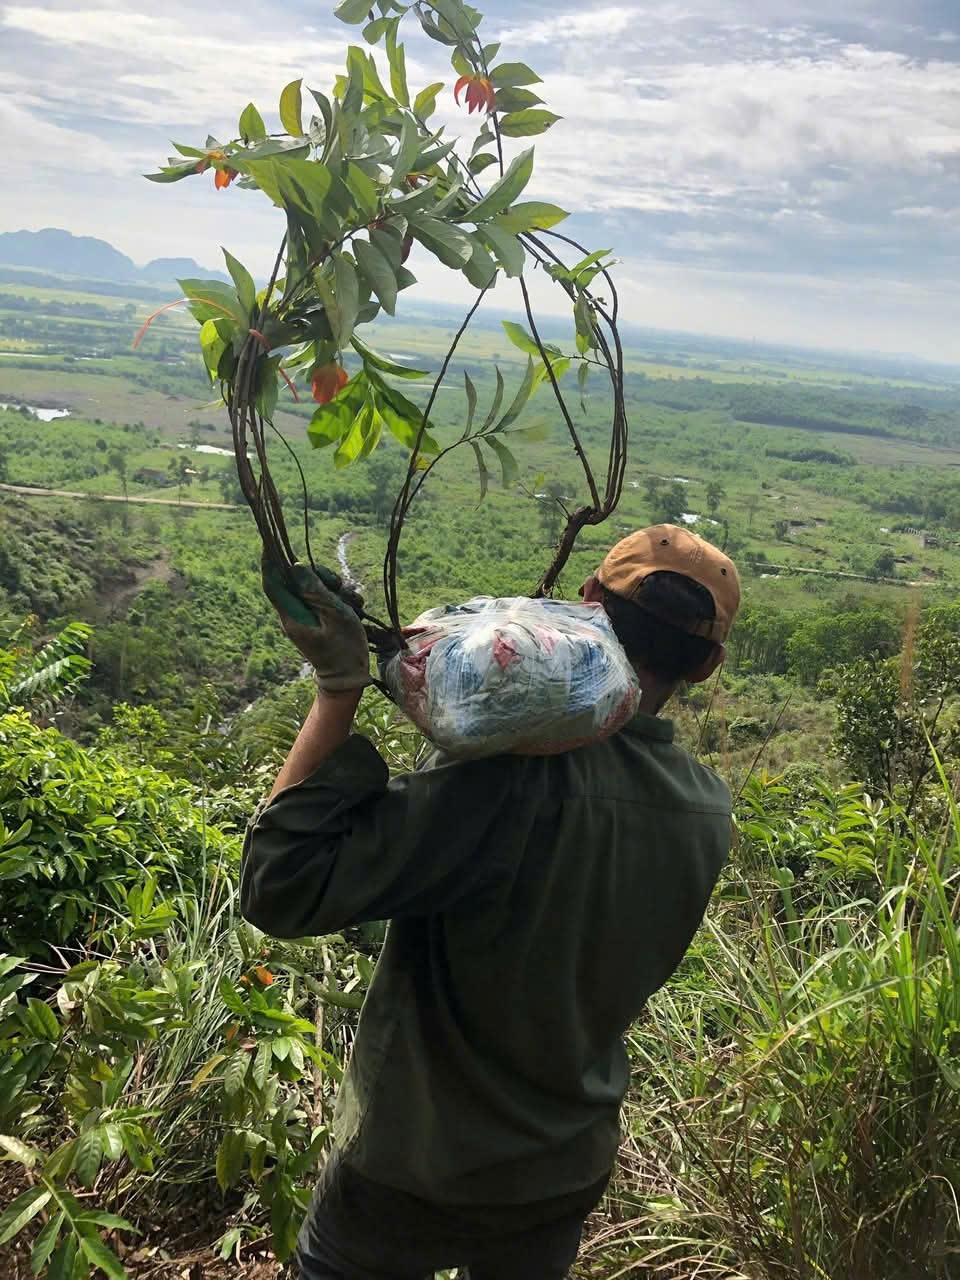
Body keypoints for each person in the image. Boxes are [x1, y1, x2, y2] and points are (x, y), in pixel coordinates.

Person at [241, 523, 741, 1280]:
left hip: (414, 1162)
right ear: (706, 665)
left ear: (588, 604)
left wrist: (337, 690)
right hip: (561, 1168)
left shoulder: (505, 778)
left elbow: (280, 885)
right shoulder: (708, 812)